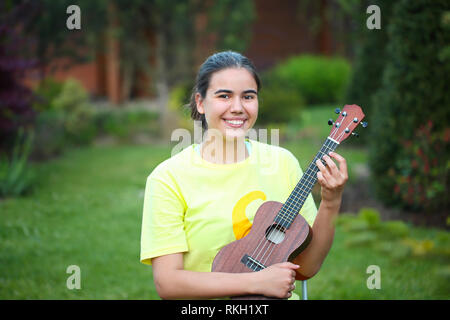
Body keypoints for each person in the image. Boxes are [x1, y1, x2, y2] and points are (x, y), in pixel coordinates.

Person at [140, 51, 348, 299]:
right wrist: (255, 282)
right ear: (200, 102)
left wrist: (331, 201)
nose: (237, 108)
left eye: (248, 96)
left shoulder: (282, 162)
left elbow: (307, 267)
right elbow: (169, 283)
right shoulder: (168, 178)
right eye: (224, 96)